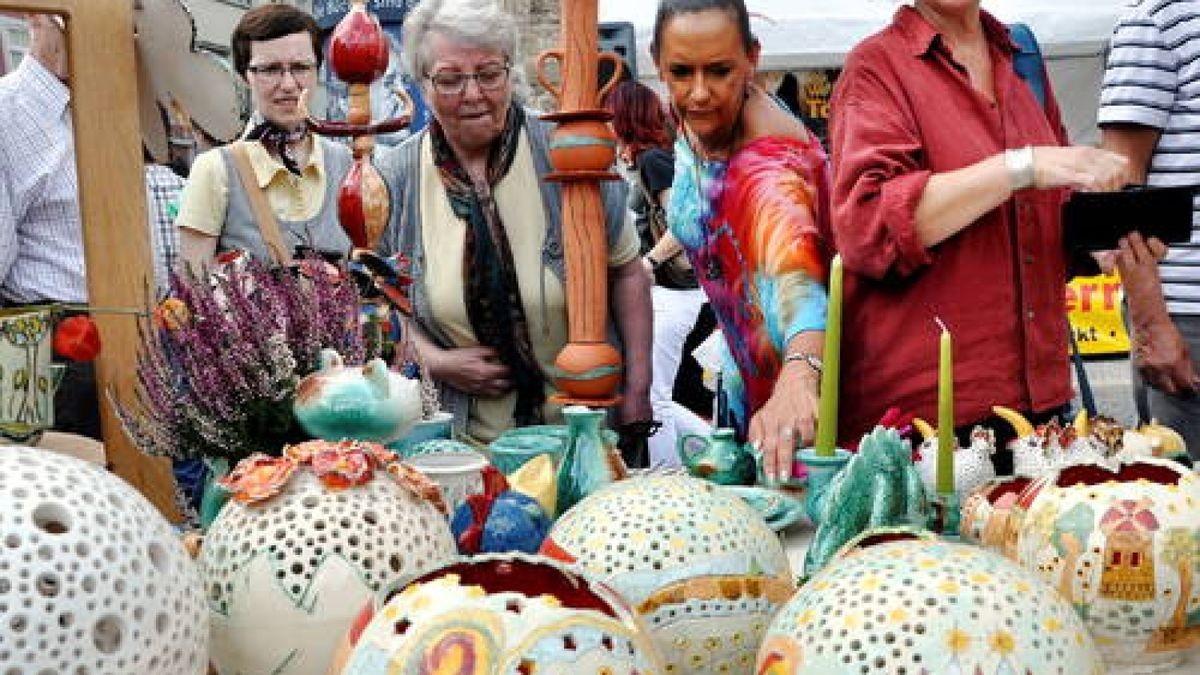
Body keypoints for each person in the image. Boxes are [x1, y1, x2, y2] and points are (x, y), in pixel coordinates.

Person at [828, 0, 1128, 464]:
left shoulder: (1021, 58)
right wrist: (1018, 167)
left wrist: (1101, 237)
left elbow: (1043, 213)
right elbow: (868, 229)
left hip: (1043, 412)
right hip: (929, 430)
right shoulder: (876, 66)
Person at [375, 0, 653, 445]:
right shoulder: (393, 179)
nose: (472, 94)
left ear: (511, 72)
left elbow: (626, 273)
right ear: (422, 85)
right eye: (450, 79)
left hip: (582, 428)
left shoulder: (571, 153)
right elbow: (373, 301)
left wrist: (639, 388)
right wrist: (436, 361)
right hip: (460, 441)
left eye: (488, 74)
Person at [651, 0, 832, 483]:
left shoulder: (770, 167)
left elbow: (800, 285)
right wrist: (645, 261)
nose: (699, 92)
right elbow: (699, 212)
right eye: (681, 71)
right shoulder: (692, 123)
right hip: (741, 383)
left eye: (720, 70)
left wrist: (799, 375)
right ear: (657, 64)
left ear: (753, 57)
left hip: (802, 414)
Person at [176, 4, 352, 270]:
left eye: (301, 67)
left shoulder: (345, 164)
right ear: (245, 76)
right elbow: (194, 291)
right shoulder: (216, 170)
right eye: (270, 69)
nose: (289, 84)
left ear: (318, 70)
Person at [1098, 0, 1200, 458]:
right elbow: (1119, 182)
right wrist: (1150, 323)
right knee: (1184, 510)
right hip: (1187, 319)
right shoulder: (1158, 19)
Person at [0, 14, 101, 440]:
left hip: (124, 342)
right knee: (39, 495)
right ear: (36, 15)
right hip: (34, 345)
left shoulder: (115, 110)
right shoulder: (5, 112)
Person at [603, 79, 711, 467]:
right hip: (676, 293)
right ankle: (722, 452)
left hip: (673, 293)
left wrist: (648, 263)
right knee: (661, 396)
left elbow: (687, 223)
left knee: (654, 397)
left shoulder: (654, 160)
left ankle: (666, 483)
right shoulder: (652, 159)